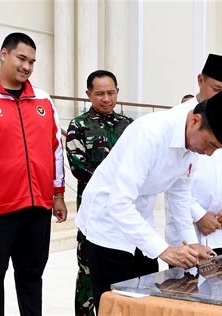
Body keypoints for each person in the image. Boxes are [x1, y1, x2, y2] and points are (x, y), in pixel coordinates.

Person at [76, 86, 222, 312]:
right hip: (106, 224)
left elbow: (179, 196)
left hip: (140, 222)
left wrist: (190, 245)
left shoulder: (193, 143)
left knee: (147, 303)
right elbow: (118, 203)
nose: (209, 153)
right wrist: (164, 250)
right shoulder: (151, 132)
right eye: (211, 145)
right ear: (196, 120)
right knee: (116, 305)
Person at [0, 32, 68, 315]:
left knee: (31, 276)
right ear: (3, 54)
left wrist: (58, 194)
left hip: (37, 206)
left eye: (32, 61)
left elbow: (55, 149)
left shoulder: (43, 100)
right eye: (21, 58)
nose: (27, 66)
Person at [167, 54, 222, 255]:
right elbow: (172, 182)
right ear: (200, 80)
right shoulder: (179, 118)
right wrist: (198, 215)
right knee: (186, 286)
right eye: (216, 89)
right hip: (188, 232)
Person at [66, 70, 133, 316]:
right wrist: (118, 183)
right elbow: (78, 167)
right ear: (88, 94)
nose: (106, 98)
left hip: (125, 212)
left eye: (111, 93)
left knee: (121, 269)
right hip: (93, 213)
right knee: (87, 270)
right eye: (100, 93)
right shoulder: (79, 125)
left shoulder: (128, 125)